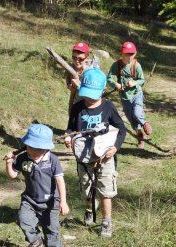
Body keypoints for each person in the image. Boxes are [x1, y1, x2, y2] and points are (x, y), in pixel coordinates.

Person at [64, 68, 126, 238]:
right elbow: (71, 128)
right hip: (84, 157)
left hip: (105, 156)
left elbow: (121, 129)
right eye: (86, 94)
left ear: (103, 91)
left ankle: (106, 221)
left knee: (105, 190)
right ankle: (90, 208)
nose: (88, 99)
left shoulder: (108, 108)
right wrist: (69, 137)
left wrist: (115, 147)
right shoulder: (77, 108)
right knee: (86, 189)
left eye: (93, 95)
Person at [4, 124, 69, 247]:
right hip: (30, 199)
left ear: (46, 147)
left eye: (40, 149)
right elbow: (12, 175)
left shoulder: (53, 160)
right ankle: (36, 241)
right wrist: (9, 163)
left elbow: (60, 181)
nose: (35, 152)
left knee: (51, 230)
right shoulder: (23, 158)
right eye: (32, 148)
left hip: (51, 202)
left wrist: (63, 202)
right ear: (27, 145)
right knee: (23, 219)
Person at [107, 41, 151, 149]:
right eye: (127, 54)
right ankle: (140, 136)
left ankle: (145, 123)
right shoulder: (116, 65)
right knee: (131, 119)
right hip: (124, 97)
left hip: (136, 94)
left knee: (137, 112)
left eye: (131, 54)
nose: (129, 57)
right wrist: (116, 85)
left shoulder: (136, 65)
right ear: (121, 54)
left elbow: (141, 80)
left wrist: (134, 83)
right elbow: (109, 78)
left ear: (134, 54)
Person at [65, 42, 99, 114]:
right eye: (74, 57)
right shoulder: (71, 68)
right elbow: (68, 82)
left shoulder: (92, 72)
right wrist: (70, 87)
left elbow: (93, 94)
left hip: (89, 106)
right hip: (75, 103)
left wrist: (78, 87)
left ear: (87, 58)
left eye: (80, 59)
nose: (77, 61)